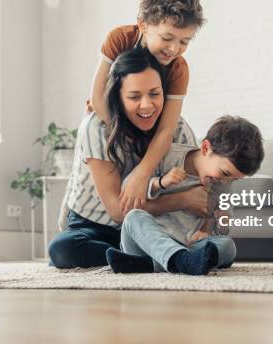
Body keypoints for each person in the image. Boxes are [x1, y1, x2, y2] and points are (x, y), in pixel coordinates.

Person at [49, 47, 206, 269]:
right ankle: (149, 260)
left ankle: (140, 258)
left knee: (194, 242)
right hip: (95, 224)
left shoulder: (175, 127)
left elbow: (197, 185)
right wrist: (184, 200)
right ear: (118, 98)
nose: (147, 105)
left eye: (154, 93)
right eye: (134, 96)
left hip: (147, 225)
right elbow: (116, 209)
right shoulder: (96, 127)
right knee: (62, 250)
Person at [89, 0, 205, 214]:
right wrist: (125, 133)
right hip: (112, 121)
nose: (174, 49)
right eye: (167, 38)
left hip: (151, 130)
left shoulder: (178, 68)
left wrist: (141, 174)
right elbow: (97, 97)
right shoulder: (119, 39)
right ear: (142, 25)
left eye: (184, 41)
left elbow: (166, 129)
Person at [106, 116, 265, 276]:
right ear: (205, 148)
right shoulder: (167, 155)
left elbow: (222, 225)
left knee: (228, 246)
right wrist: (160, 183)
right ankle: (179, 261)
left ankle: (150, 265)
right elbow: (130, 188)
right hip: (147, 244)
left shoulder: (223, 184)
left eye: (234, 179)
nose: (225, 182)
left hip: (189, 246)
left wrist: (212, 226)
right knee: (134, 217)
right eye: (224, 173)